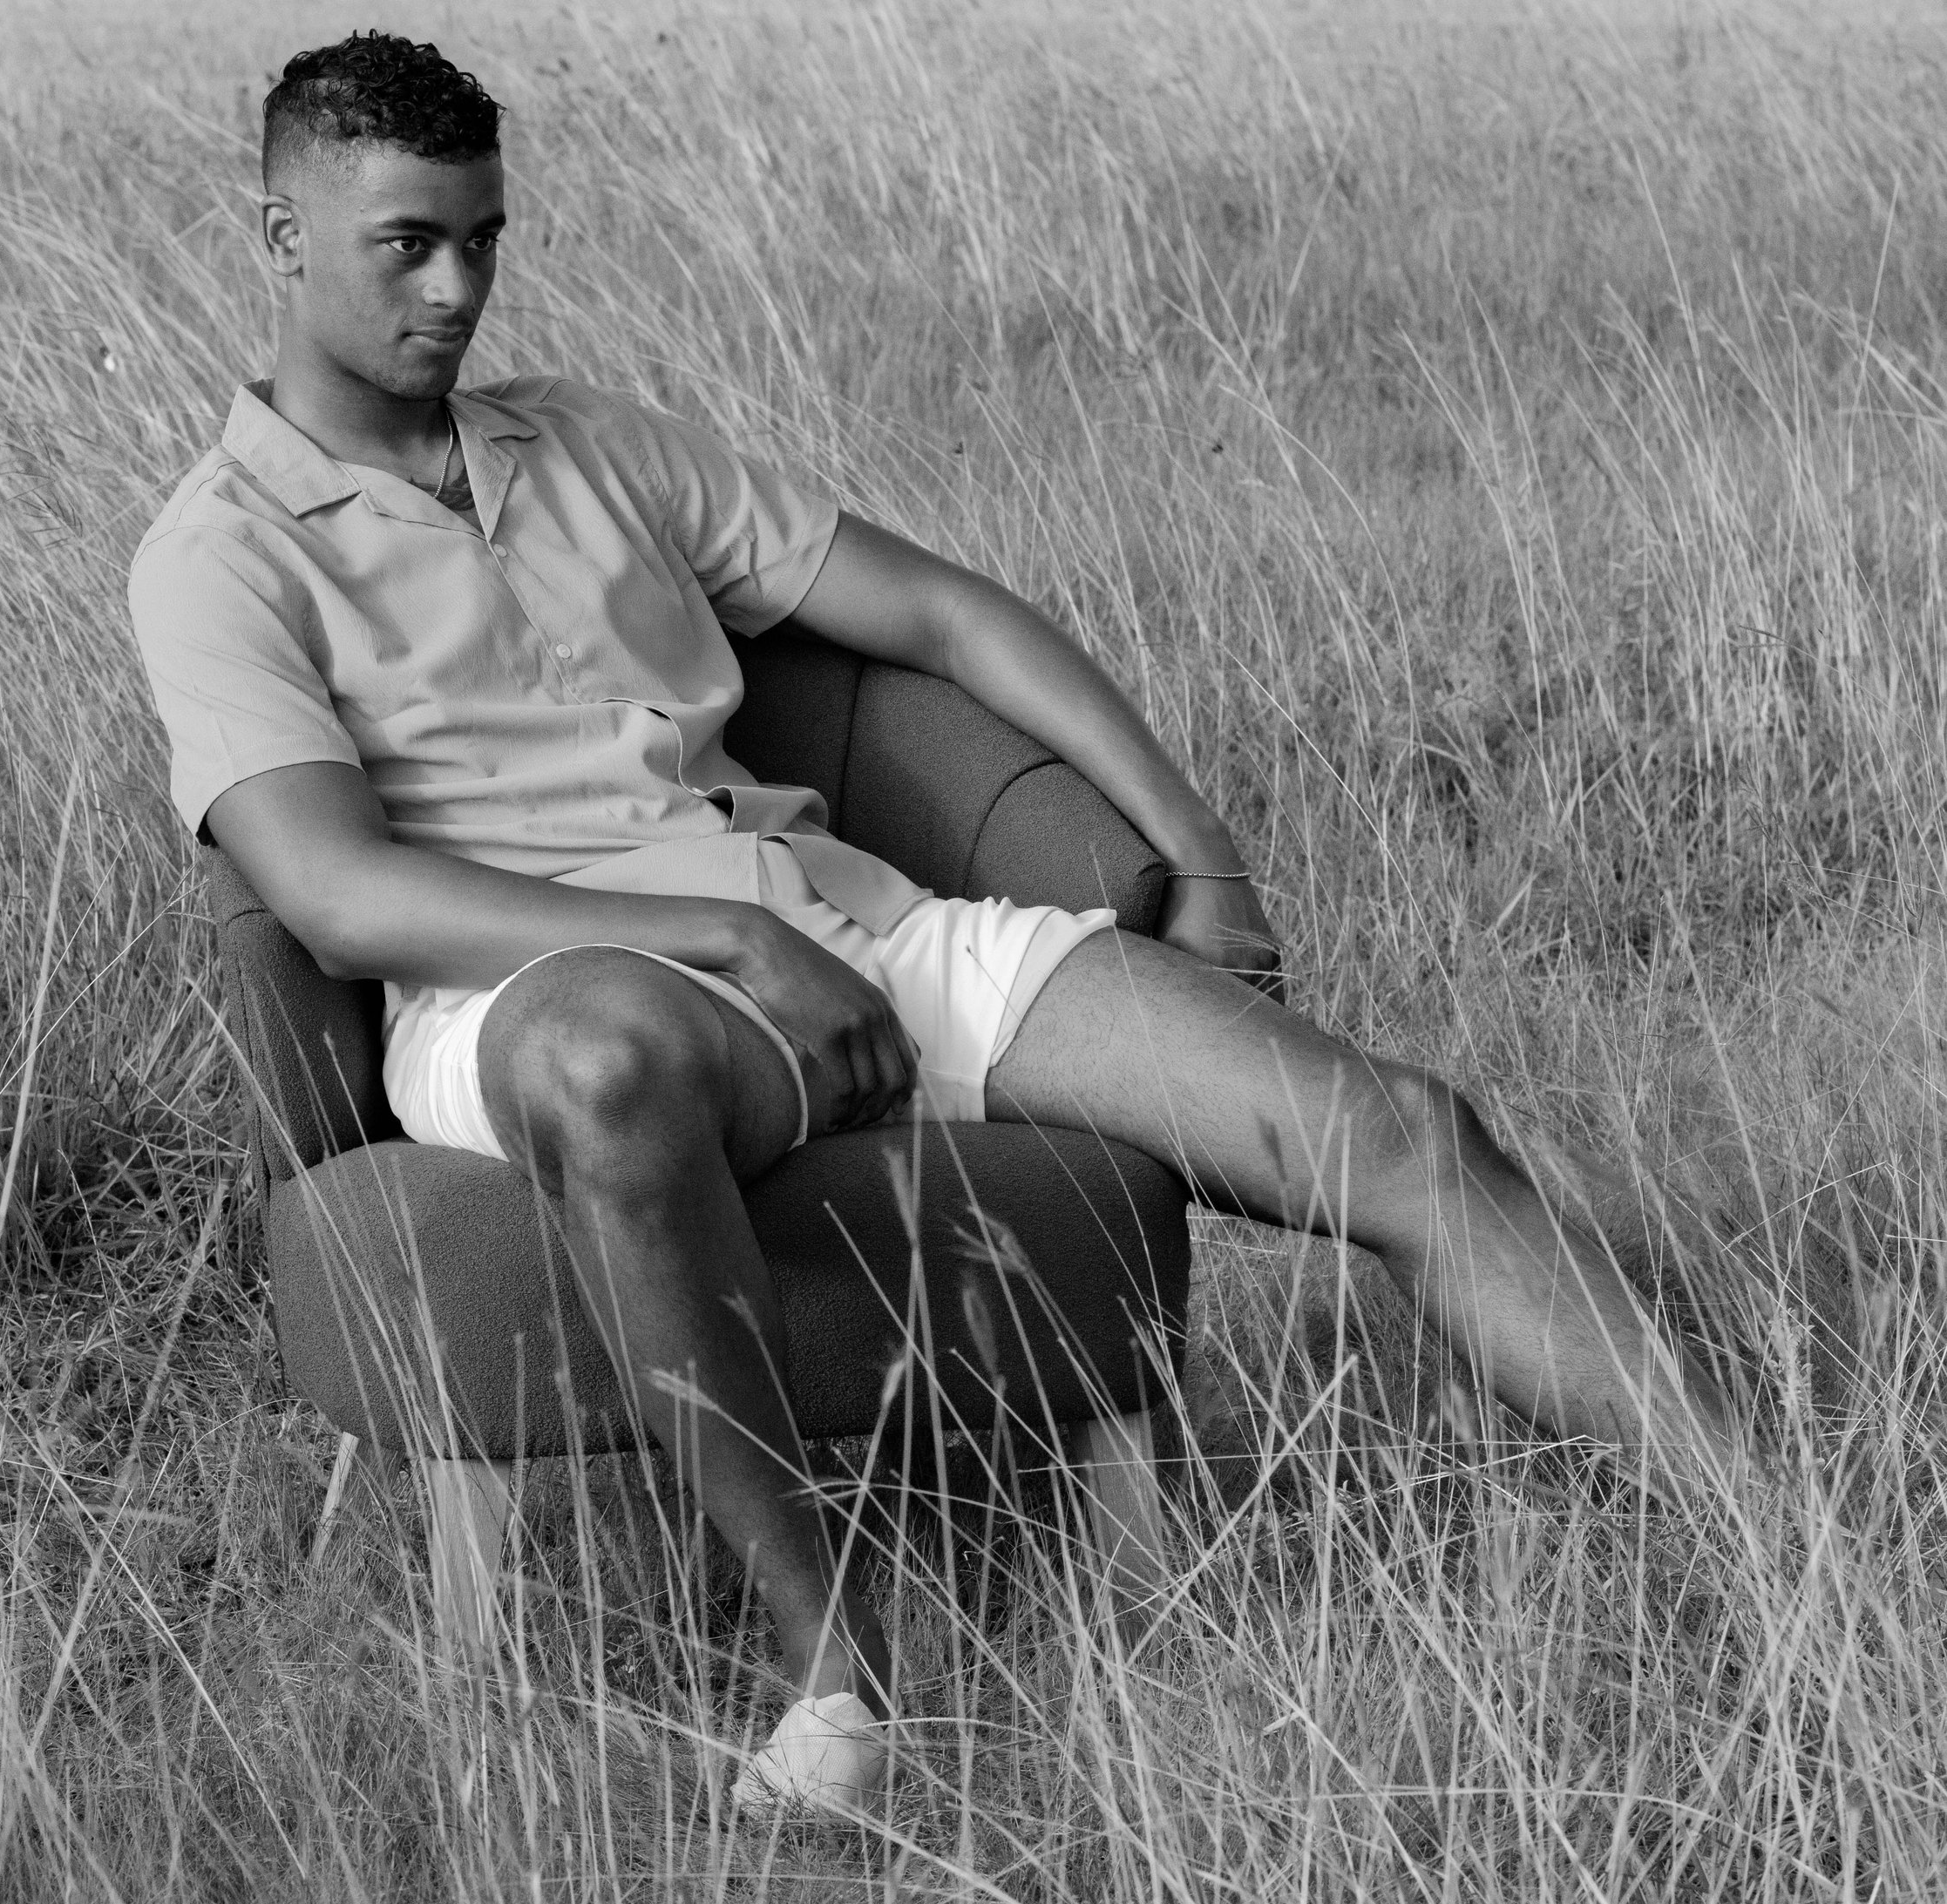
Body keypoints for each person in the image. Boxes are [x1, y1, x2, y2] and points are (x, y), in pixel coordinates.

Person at [128, 31, 1746, 1816]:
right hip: (521, 990)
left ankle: (1779, 1544)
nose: (459, 287)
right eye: (405, 244)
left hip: (854, 933)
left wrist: (1192, 847)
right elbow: (329, 886)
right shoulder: (217, 551)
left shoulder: (587, 441)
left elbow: (943, 617)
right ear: (279, 235)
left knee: (1395, 1128)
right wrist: (726, 944)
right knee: (606, 1058)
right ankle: (835, 1683)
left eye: (486, 237)